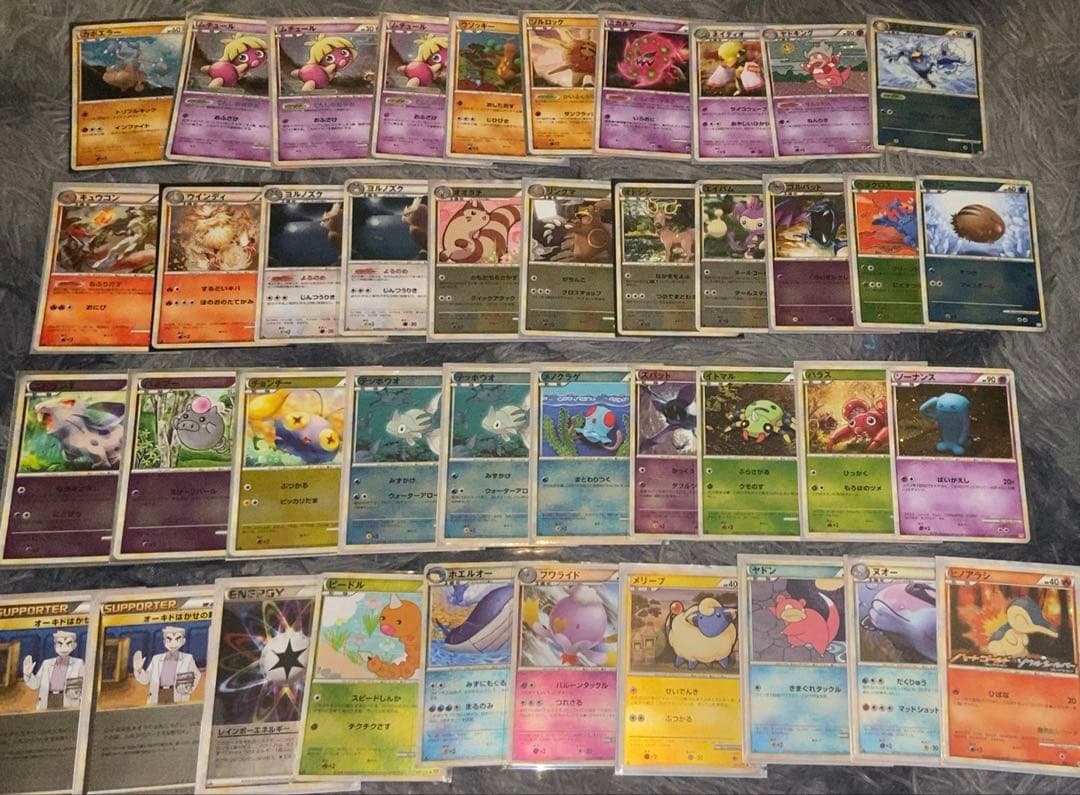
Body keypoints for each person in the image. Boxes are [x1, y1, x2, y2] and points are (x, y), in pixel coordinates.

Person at [132, 626, 200, 704]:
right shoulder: (156, 659)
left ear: (183, 641)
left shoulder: (188, 658)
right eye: (169, 640)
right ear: (164, 642)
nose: (173, 643)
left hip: (178, 695)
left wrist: (188, 689)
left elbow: (197, 675)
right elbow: (146, 680)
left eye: (177, 640)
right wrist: (139, 670)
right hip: (157, 693)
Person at [22, 630, 84, 709]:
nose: (64, 648)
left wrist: (78, 693)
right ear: (55, 646)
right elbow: (35, 685)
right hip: (47, 699)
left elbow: (85, 685)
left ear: (74, 646)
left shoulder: (79, 663)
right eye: (60, 644)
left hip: (69, 701)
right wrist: (28, 675)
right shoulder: (46, 663)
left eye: (68, 644)